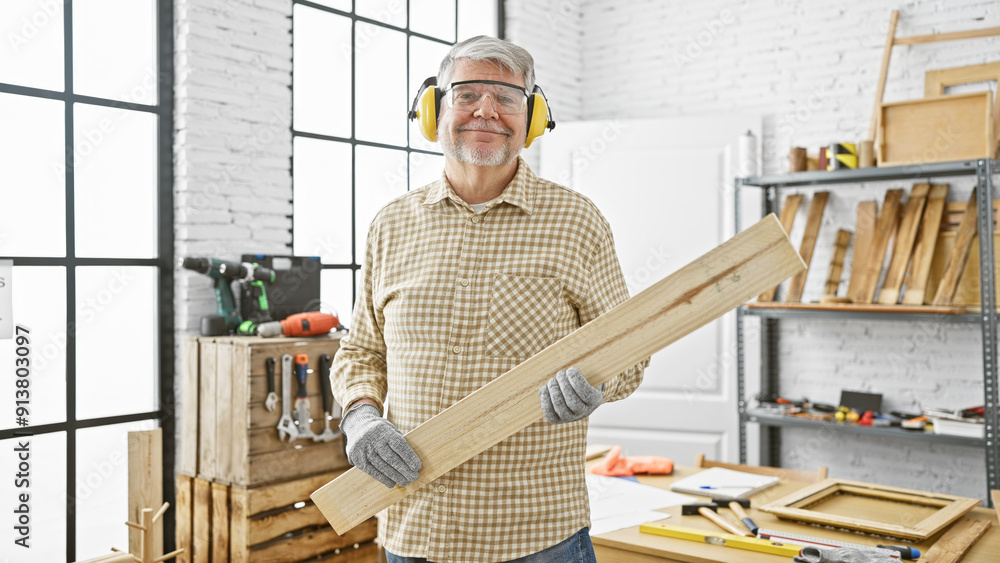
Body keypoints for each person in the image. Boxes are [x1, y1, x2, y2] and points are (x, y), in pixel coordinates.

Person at [331, 35, 649, 563]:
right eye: (468, 93)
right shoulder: (391, 225)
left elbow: (629, 354)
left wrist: (595, 383)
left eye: (507, 97)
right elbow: (362, 352)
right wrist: (360, 417)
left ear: (533, 118)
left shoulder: (577, 222)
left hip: (537, 534)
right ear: (435, 110)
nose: (487, 110)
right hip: (415, 532)